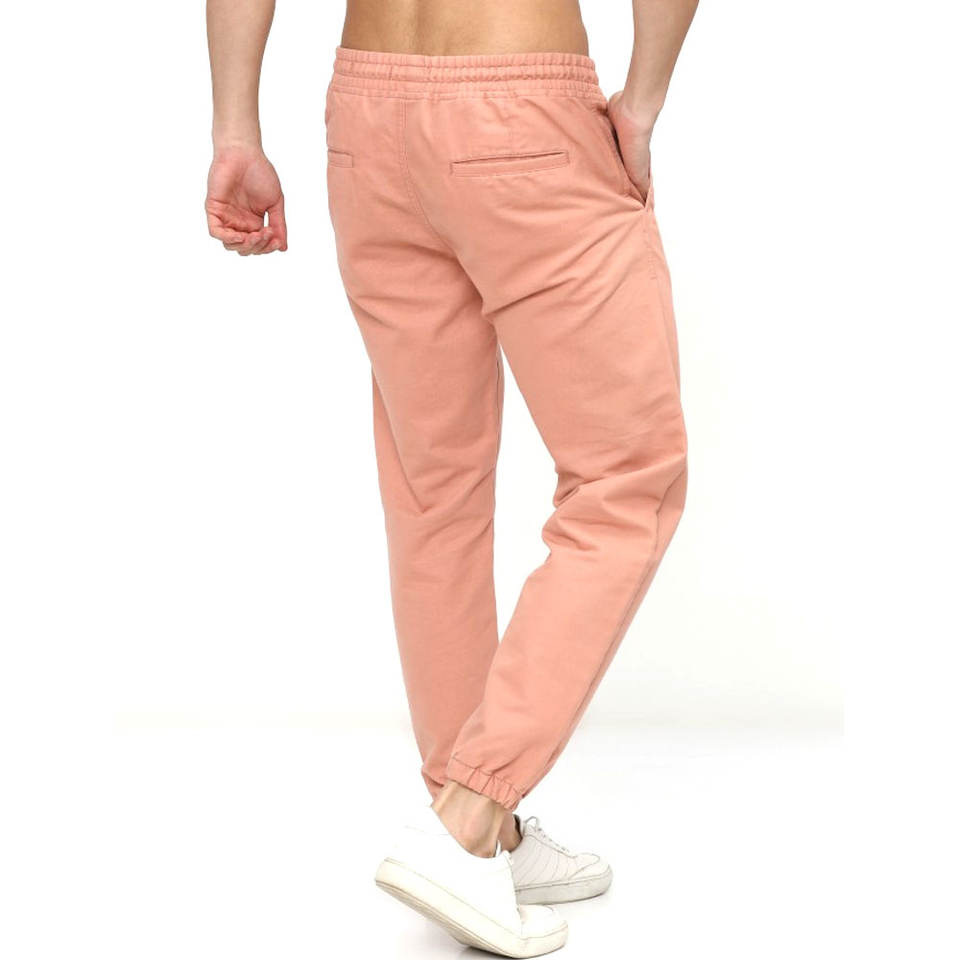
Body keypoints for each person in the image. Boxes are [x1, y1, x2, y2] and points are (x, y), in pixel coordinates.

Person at [206, 0, 698, 954]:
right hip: (521, 111)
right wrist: (639, 105)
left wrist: (235, 129)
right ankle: (470, 815)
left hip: (368, 121)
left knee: (432, 491)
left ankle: (477, 834)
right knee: (627, 478)